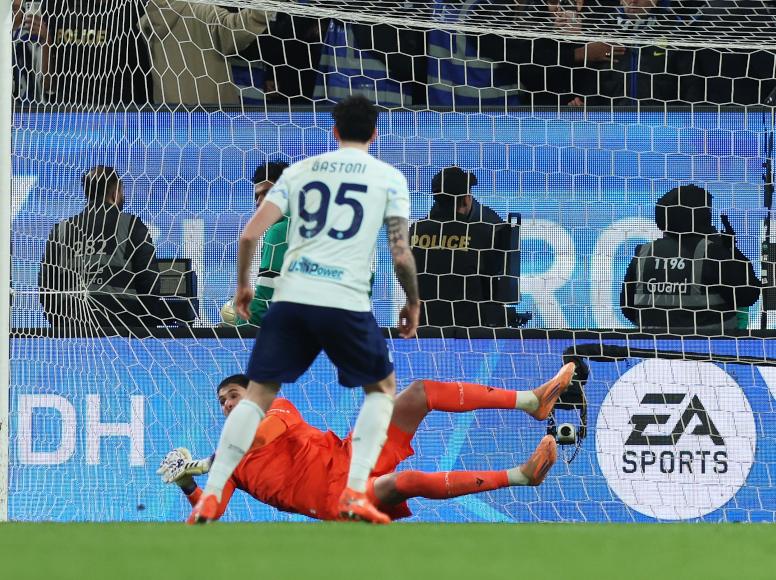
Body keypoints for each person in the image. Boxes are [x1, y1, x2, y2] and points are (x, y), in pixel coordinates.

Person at [189, 95, 418, 525]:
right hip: (344, 302)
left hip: (292, 301)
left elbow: (248, 236)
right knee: (382, 391)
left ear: (333, 132)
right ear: (374, 133)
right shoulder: (389, 179)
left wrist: (242, 286)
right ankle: (353, 494)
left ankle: (212, 494)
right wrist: (412, 300)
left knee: (256, 398)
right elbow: (401, 256)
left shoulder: (300, 173)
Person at [158, 367, 571, 521]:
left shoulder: (276, 409)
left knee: (418, 393)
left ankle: (532, 401)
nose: (229, 404)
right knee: (404, 481)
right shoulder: (229, 466)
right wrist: (186, 482)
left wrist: (206, 461)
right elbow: (210, 510)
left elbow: (262, 436)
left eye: (235, 395)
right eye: (223, 401)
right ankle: (521, 475)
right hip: (336, 498)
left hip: (351, 455)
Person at [38, 166, 167, 332]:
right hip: (124, 328)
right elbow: (149, 282)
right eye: (121, 192)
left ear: (87, 194)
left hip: (72, 329)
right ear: (115, 194)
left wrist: (60, 323)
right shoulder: (132, 226)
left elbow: (47, 285)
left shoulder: (61, 230)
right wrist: (146, 325)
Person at [620, 184, 761, 334]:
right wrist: (731, 251)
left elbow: (628, 308)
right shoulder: (711, 253)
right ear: (702, 216)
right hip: (708, 350)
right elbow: (748, 295)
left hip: (652, 350)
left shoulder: (644, 252)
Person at [139, 0, 270, 105]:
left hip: (169, 118)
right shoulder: (202, 11)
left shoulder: (147, 20)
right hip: (213, 117)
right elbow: (237, 28)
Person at [410, 166, 509, 328]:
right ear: (466, 199)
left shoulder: (415, 230)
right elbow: (492, 289)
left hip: (423, 331)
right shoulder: (478, 234)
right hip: (467, 335)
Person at [222, 160, 291, 327]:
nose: (259, 202)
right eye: (257, 196)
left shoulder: (279, 231)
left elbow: (265, 301)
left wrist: (237, 330)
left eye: (267, 194)